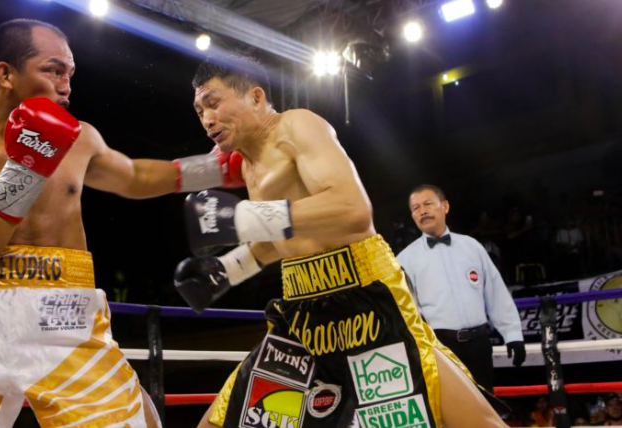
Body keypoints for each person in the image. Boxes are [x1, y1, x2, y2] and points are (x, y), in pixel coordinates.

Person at [0, 18, 245, 428]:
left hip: (67, 314)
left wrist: (217, 170)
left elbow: (135, 177)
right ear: (6, 74)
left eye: (70, 73)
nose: (66, 84)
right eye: (54, 70)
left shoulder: (79, 138)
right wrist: (27, 169)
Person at [173, 55, 509, 428]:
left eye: (213, 103)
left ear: (255, 96)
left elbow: (352, 209)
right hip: (301, 315)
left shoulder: (297, 126)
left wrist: (241, 218)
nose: (206, 119)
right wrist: (227, 269)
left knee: (472, 421)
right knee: (221, 422)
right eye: (199, 110)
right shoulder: (249, 164)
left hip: (365, 300)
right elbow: (284, 232)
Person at [396, 184, 526, 393]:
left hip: (479, 344)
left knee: (486, 411)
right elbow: (408, 312)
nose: (422, 211)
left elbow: (495, 292)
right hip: (440, 348)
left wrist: (512, 335)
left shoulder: (471, 246)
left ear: (445, 206)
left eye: (428, 204)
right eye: (415, 208)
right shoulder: (404, 259)